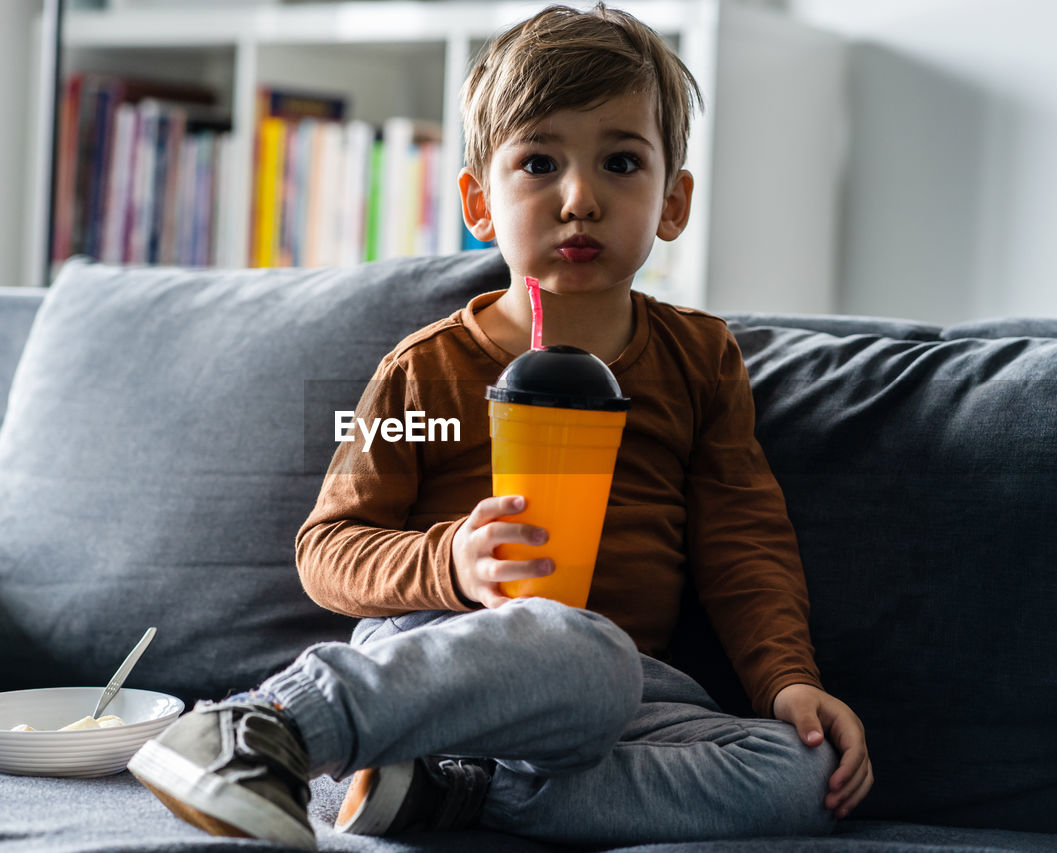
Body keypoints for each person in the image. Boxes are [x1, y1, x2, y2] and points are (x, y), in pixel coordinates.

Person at [127, 4, 873, 849]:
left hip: (623, 690)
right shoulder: (428, 368)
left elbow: (744, 540)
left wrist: (787, 681)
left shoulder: (701, 359)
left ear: (673, 201)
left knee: (801, 774)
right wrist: (452, 560)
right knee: (577, 648)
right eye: (540, 162)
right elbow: (327, 549)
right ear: (480, 202)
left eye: (621, 162)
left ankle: (456, 789)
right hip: (447, 651)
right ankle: (266, 723)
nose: (581, 198)